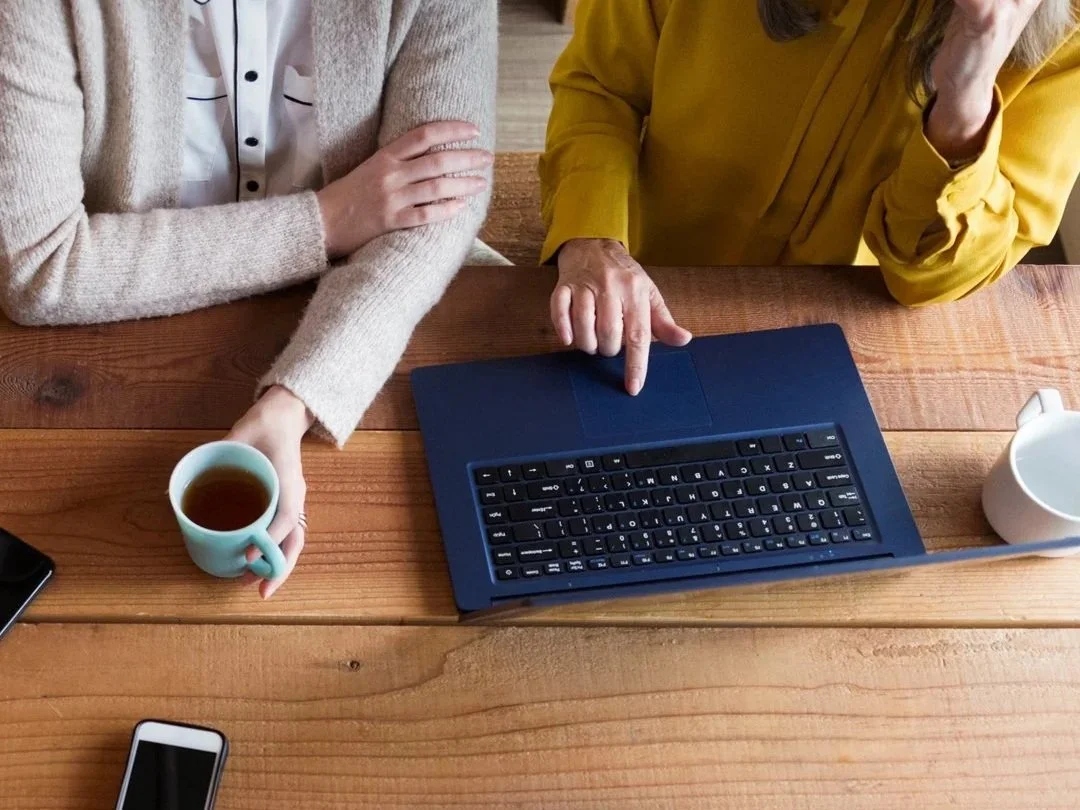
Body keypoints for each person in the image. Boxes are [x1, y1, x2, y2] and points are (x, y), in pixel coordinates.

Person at [0, 0, 500, 597]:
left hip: (362, 321)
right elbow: (40, 265)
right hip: (110, 345)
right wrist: (329, 219)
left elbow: (438, 209)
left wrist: (296, 399)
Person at [540, 0, 1080, 394]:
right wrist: (591, 237)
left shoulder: (1068, 35)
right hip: (650, 276)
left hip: (853, 339)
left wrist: (964, 103)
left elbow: (935, 279)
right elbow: (600, 86)